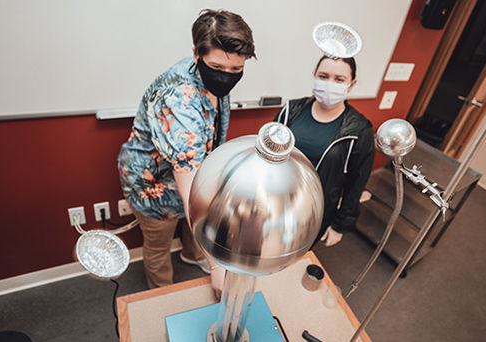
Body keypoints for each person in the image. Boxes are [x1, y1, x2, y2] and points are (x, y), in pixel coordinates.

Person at [117, 9, 255, 296]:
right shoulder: (177, 101)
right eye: (218, 68)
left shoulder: (211, 70)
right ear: (196, 54)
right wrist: (218, 265)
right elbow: (190, 190)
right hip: (151, 186)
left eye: (236, 70)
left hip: (190, 175)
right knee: (158, 246)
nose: (226, 77)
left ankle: (193, 255)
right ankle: (160, 296)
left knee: (195, 219)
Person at [275, 56, 374, 247]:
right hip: (274, 200)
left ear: (351, 84)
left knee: (293, 258)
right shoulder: (290, 110)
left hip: (313, 213)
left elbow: (356, 183)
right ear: (315, 76)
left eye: (339, 79)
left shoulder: (359, 130)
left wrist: (340, 225)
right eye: (323, 76)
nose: (329, 84)